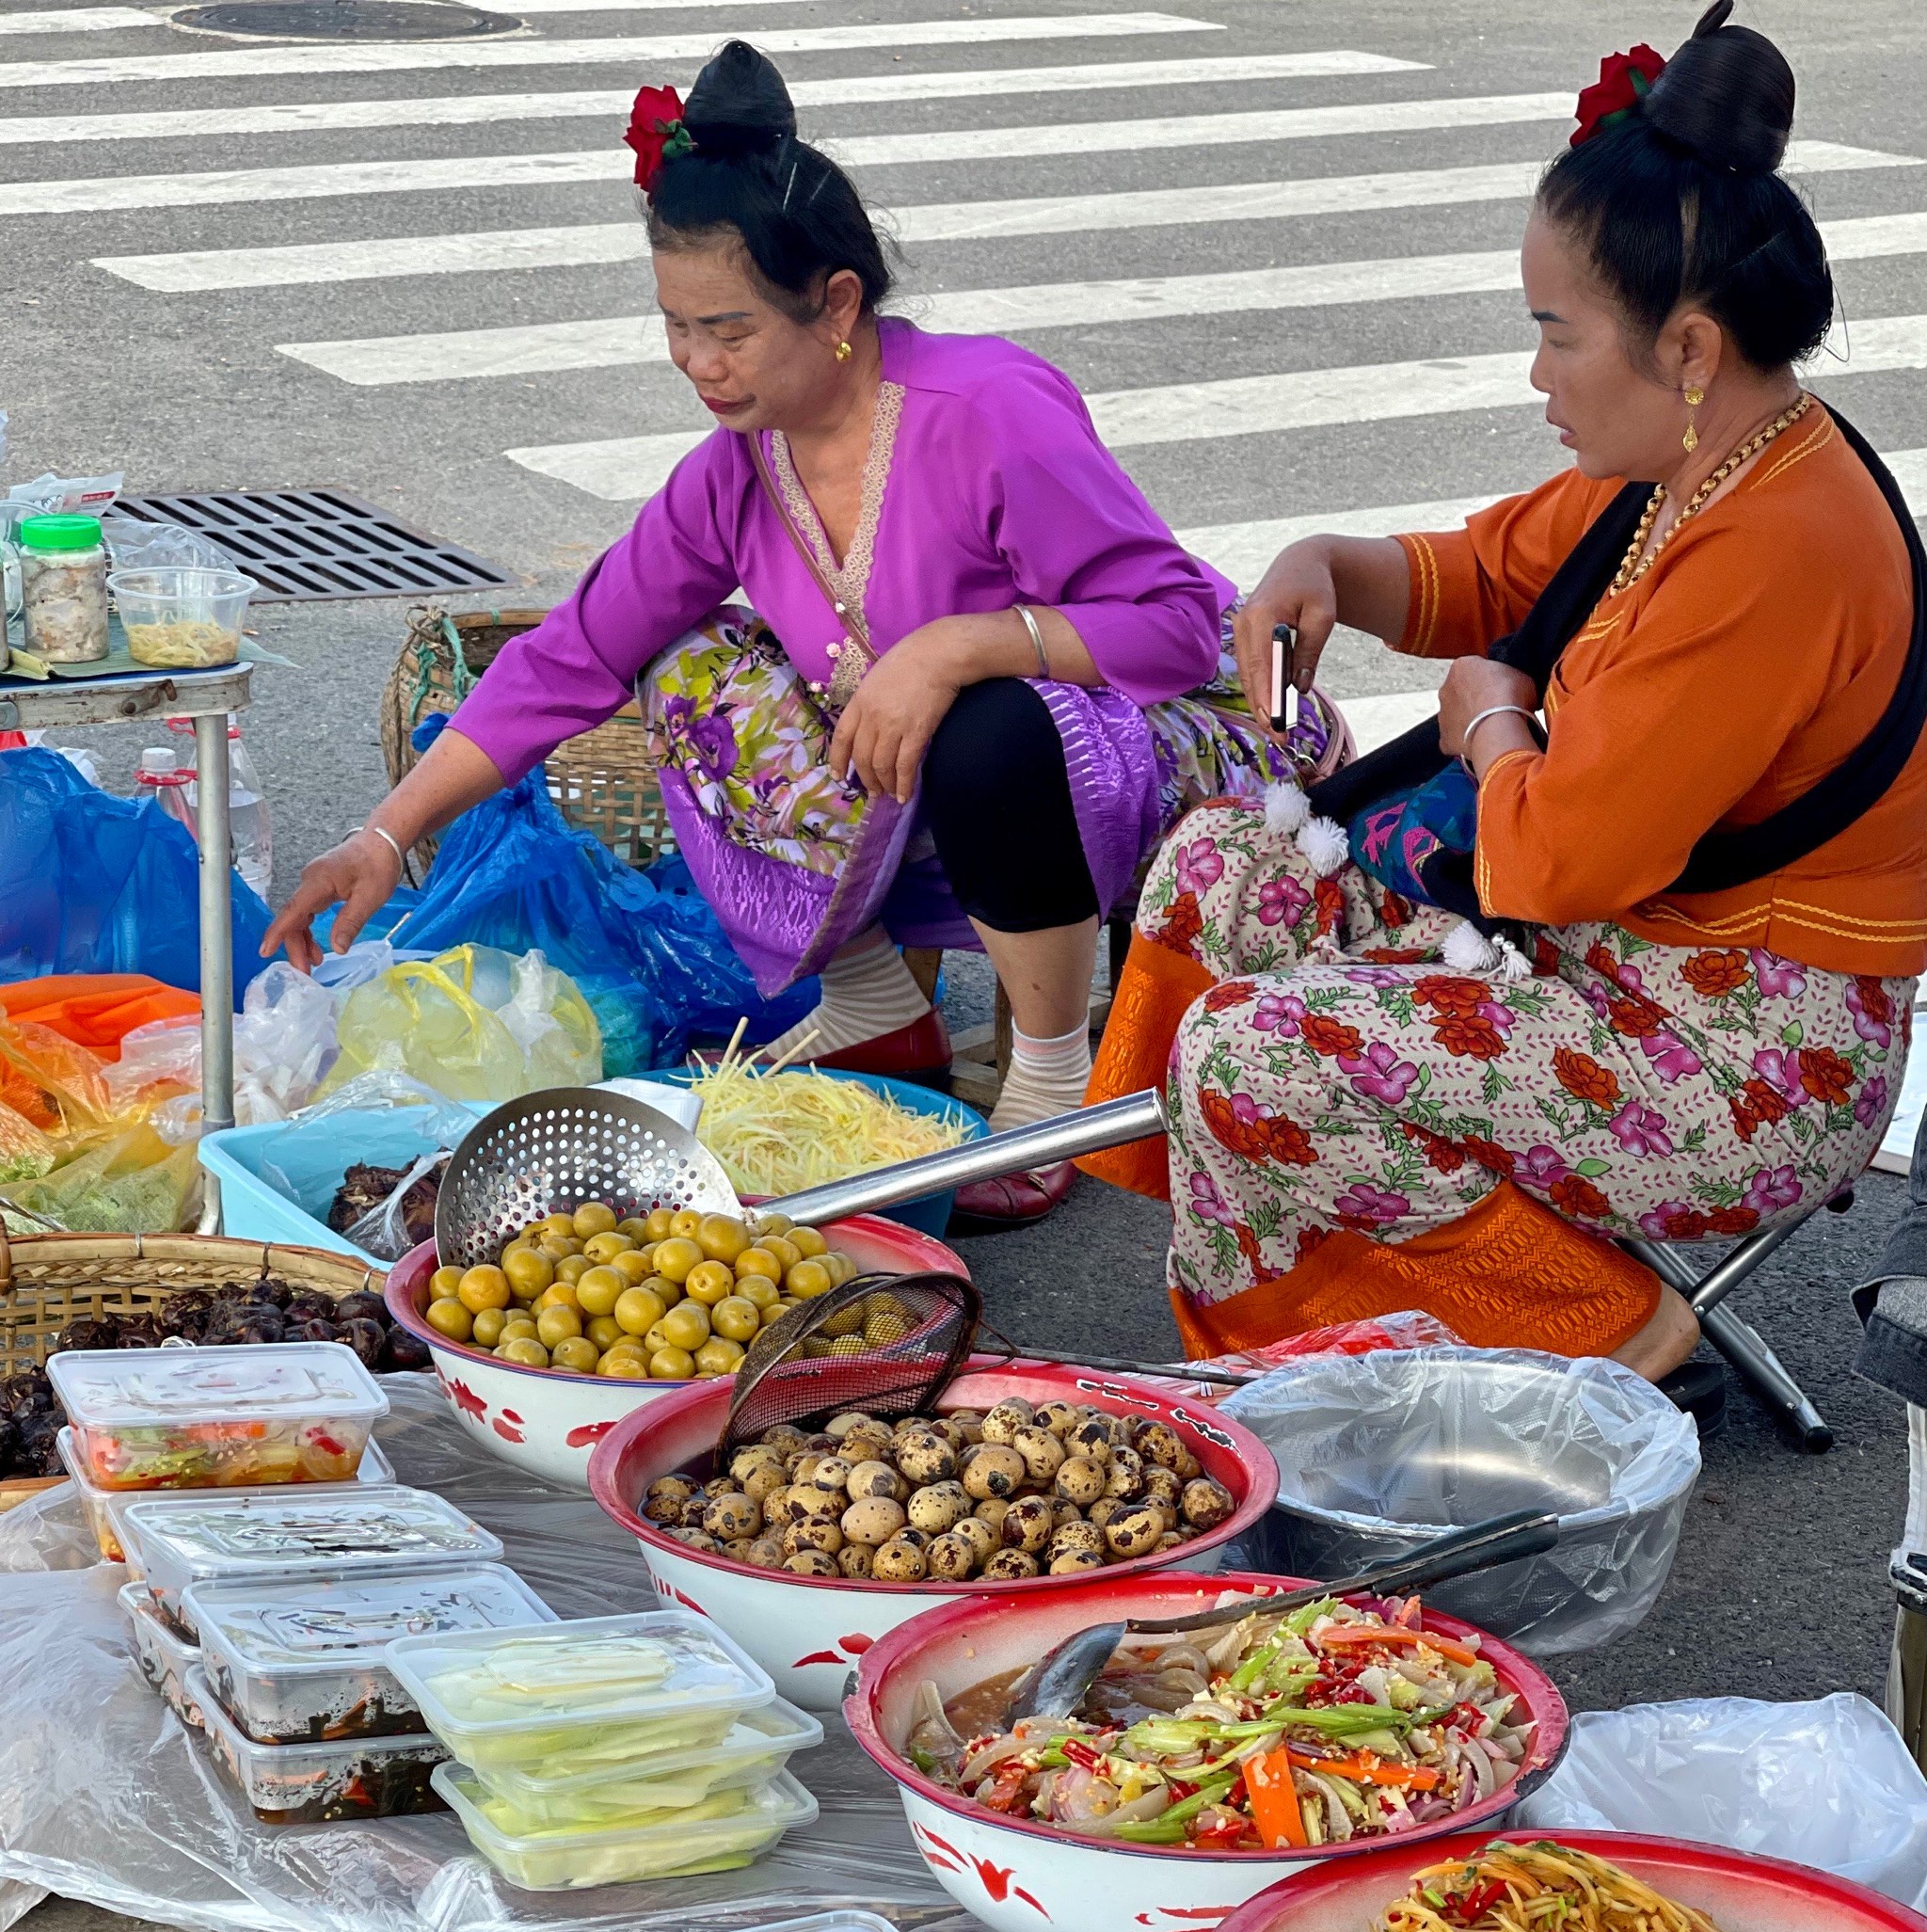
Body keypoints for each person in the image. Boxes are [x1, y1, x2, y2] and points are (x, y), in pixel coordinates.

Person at [263, 41, 1325, 1229]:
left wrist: (961, 645)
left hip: (1167, 740)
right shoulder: (736, 469)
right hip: (942, 766)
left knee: (984, 720)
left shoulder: (988, 411)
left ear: (833, 305)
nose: (698, 366)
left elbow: (1177, 627)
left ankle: (1046, 1072)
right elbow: (580, 653)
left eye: (728, 330)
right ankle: (879, 1004)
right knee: (688, 664)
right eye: (675, 328)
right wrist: (382, 831)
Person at [1087, 0, 1926, 1375]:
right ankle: (1300, 1267)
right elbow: (1487, 570)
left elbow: (1553, 856)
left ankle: (1601, 1328)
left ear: (1691, 349)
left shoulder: (1773, 546)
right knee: (1222, 870)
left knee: (1258, 1056)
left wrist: (1489, 717)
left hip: (1744, 1051)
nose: (1538, 375)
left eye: (1560, 335)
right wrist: (1326, 567)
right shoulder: (1701, 462)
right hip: (1633, 958)